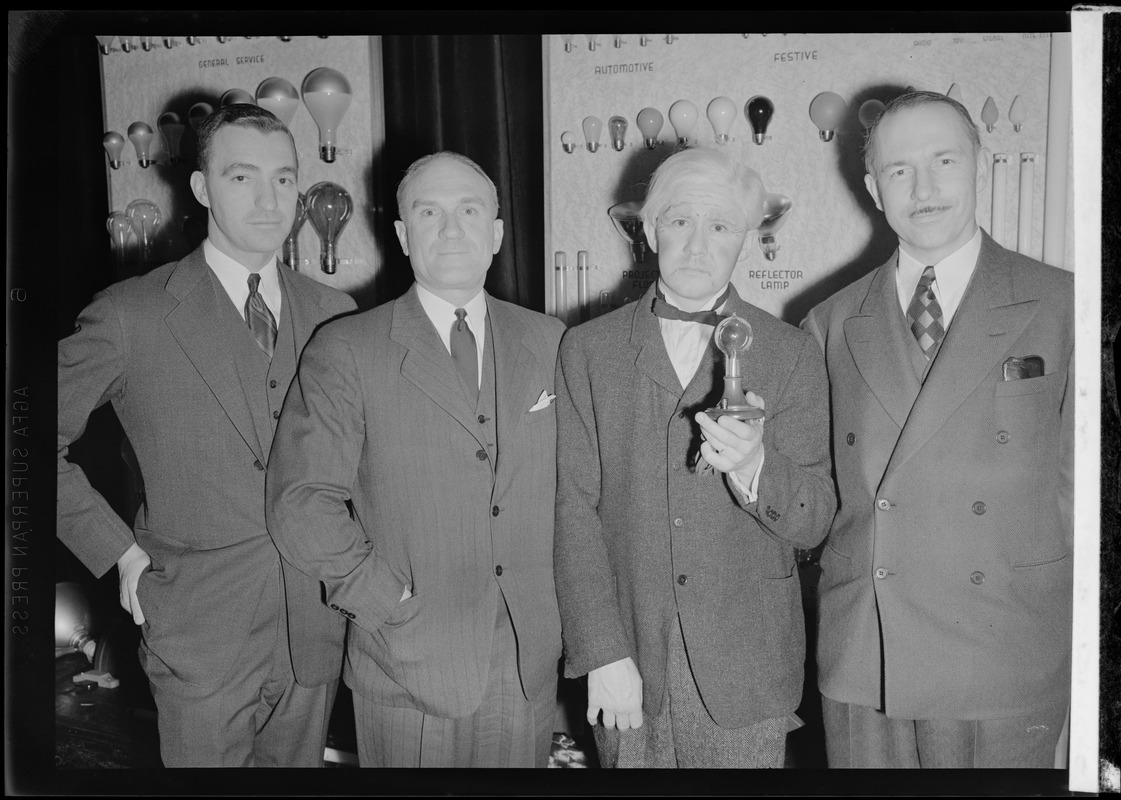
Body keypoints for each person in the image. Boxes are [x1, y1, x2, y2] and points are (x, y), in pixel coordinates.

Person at [57, 104, 357, 766]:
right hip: (197, 632)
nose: (267, 198)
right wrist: (120, 554)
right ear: (201, 188)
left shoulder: (337, 316)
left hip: (313, 630)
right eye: (242, 176)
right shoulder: (131, 314)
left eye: (283, 179)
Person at [265, 151, 565, 768]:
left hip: (524, 665)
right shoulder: (347, 348)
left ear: (498, 232)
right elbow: (300, 503)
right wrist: (387, 603)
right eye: (428, 213)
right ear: (402, 235)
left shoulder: (552, 342)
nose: (451, 229)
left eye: (469, 210)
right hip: (404, 666)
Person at [803, 90, 1074, 768]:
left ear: (976, 165)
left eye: (943, 161)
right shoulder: (828, 322)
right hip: (869, 656)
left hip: (1002, 648)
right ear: (872, 188)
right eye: (899, 170)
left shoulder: (1065, 304)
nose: (923, 188)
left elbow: (1085, 495)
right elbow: (814, 499)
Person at [554, 145, 836, 768]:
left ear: (745, 239)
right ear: (650, 230)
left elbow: (816, 517)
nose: (698, 244)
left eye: (721, 226)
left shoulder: (792, 354)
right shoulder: (588, 351)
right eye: (680, 220)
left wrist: (757, 466)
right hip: (629, 660)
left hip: (748, 672)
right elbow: (573, 511)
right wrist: (601, 651)